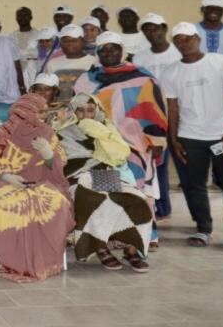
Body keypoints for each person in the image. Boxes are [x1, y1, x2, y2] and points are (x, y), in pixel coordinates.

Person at [161, 22, 223, 253]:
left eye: (187, 38)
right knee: (194, 186)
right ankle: (203, 228)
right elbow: (173, 108)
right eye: (178, 39)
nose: (183, 43)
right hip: (190, 138)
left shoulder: (221, 63)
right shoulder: (171, 71)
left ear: (197, 39)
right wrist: (174, 140)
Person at [74, 31, 167, 249]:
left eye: (113, 47)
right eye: (103, 49)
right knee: (108, 189)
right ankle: (115, 233)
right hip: (101, 144)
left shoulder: (143, 77)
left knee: (139, 189)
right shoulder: (86, 79)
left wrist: (157, 142)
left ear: (123, 50)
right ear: (97, 53)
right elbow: (79, 110)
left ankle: (147, 233)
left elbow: (155, 110)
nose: (109, 52)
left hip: (136, 144)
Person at [0, 94, 74, 283]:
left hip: (44, 184)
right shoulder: (2, 134)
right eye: (39, 112)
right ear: (25, 113)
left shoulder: (48, 134)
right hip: (6, 184)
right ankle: (14, 263)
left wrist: (48, 154)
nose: (43, 116)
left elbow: (58, 170)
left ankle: (43, 262)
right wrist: (6, 176)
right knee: (12, 207)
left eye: (45, 112)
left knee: (54, 206)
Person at [57, 93, 152, 272]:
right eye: (81, 110)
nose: (86, 114)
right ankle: (100, 248)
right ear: (73, 111)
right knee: (96, 199)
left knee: (138, 198)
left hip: (107, 174)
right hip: (77, 177)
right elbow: (63, 161)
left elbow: (119, 156)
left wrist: (97, 131)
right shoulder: (63, 132)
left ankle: (132, 250)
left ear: (97, 111)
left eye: (90, 110)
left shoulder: (107, 129)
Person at [133, 13, 181, 218]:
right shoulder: (140, 57)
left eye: (155, 28)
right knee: (157, 163)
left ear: (164, 28)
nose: (151, 33)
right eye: (147, 29)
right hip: (151, 117)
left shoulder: (179, 52)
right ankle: (160, 207)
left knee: (182, 164)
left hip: (178, 115)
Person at [44, 24, 97, 103]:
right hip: (59, 109)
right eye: (65, 41)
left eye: (74, 40)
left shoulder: (95, 62)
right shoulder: (52, 63)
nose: (69, 44)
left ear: (83, 41)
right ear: (61, 43)